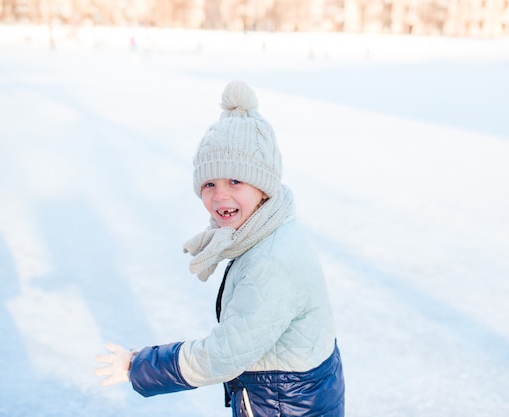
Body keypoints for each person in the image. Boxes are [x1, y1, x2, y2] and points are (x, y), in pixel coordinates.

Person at [95, 80, 345, 417]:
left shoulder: (271, 261)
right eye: (209, 183)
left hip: (286, 404)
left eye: (235, 181)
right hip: (291, 394)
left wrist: (139, 366)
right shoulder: (264, 229)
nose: (219, 195)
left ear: (264, 185)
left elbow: (225, 353)